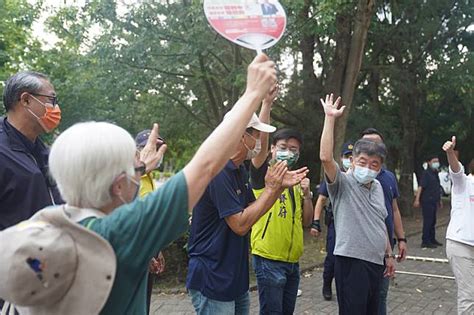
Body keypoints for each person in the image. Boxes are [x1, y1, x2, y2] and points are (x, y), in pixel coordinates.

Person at [0, 53, 278, 315]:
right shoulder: (118, 236)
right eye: (133, 169)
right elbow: (204, 167)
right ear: (119, 185)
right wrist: (253, 94)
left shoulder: (38, 229)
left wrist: (140, 166)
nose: (139, 175)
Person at [186, 111, 309, 314]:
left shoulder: (239, 170)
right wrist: (271, 189)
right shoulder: (218, 171)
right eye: (257, 135)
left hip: (235, 275)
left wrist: (277, 188)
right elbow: (241, 224)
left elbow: (255, 208)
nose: (260, 142)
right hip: (213, 275)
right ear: (241, 136)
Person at [319, 93, 395, 315]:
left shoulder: (379, 187)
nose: (368, 167)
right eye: (363, 162)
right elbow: (325, 157)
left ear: (380, 168)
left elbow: (381, 222)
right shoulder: (342, 182)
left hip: (376, 261)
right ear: (352, 161)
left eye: (374, 164)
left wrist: (388, 255)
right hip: (351, 261)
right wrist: (330, 118)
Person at [249, 127, 313, 314]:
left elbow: (307, 222)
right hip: (269, 259)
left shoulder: (295, 181)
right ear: (272, 149)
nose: (288, 152)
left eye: (294, 150)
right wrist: (267, 103)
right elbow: (259, 152)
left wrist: (307, 195)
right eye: (283, 147)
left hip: (292, 261)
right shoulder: (264, 176)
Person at [0, 71, 63, 231]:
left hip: (48, 250)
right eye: (51, 100)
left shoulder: (43, 151)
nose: (56, 108)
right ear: (26, 100)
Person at [360, 128, 408, 315]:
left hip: (384, 249)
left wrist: (402, 238)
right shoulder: (352, 178)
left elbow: (394, 209)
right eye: (367, 144)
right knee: (357, 300)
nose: (372, 147)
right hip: (359, 252)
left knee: (380, 297)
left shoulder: (388, 177)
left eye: (377, 144)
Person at [311, 141, 353, 301]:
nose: (349, 159)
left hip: (353, 226)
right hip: (336, 225)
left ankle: (346, 289)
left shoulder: (360, 177)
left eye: (352, 156)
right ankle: (327, 284)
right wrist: (316, 222)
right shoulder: (334, 175)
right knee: (333, 259)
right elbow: (321, 200)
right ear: (341, 158)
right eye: (346, 156)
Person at [135, 129, 167, 315]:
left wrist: (158, 248)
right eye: (151, 147)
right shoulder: (133, 180)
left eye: (159, 147)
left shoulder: (150, 178)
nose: (156, 152)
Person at [442, 136, 474, 314]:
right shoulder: (465, 183)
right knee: (468, 295)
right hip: (461, 245)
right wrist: (450, 153)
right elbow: (456, 170)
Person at [414, 155, 442, 248]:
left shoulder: (435, 173)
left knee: (433, 221)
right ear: (429, 162)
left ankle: (432, 238)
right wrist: (417, 200)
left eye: (437, 161)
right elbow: (421, 186)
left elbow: (437, 188)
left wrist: (439, 200)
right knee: (428, 221)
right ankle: (425, 240)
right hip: (427, 201)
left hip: (434, 200)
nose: (436, 163)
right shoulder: (426, 173)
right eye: (434, 161)